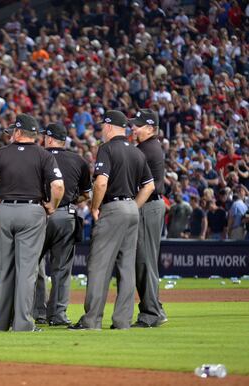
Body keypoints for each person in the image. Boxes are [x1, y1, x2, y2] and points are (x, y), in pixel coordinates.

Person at [0, 114, 64, 332]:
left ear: (17, 132)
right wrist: (52, 205)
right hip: (32, 211)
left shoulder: (0, 153)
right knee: (27, 271)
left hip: (4, 210)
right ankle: (23, 323)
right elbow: (59, 186)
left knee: (3, 269)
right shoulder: (44, 155)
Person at [70, 110, 155, 330]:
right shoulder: (137, 152)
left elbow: (100, 183)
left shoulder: (107, 149)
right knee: (126, 268)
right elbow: (149, 186)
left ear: (108, 126)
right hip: (130, 209)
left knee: (99, 266)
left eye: (102, 127)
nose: (100, 130)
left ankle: (92, 320)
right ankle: (122, 321)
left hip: (112, 208)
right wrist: (133, 206)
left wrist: (95, 207)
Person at [34, 123, 91, 326]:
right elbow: (87, 193)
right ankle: (57, 315)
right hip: (65, 215)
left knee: (32, 265)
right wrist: (72, 199)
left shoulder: (37, 157)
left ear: (49, 139)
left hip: (38, 214)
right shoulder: (78, 160)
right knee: (61, 268)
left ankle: (36, 312)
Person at [130, 109, 168, 328]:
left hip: (147, 205)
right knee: (145, 260)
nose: (134, 127)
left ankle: (151, 313)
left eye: (139, 125)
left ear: (151, 128)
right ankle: (156, 308)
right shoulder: (146, 147)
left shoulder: (147, 149)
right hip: (150, 205)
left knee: (144, 260)